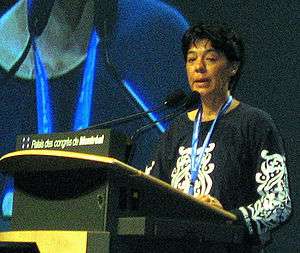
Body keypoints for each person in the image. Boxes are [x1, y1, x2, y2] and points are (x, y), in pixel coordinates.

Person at [145, 23, 291, 252]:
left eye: (210, 59)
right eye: (191, 59)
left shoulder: (255, 123)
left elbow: (278, 203)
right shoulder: (176, 130)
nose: (199, 68)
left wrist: (226, 217)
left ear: (233, 67)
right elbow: (149, 194)